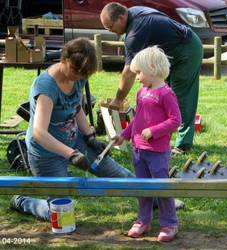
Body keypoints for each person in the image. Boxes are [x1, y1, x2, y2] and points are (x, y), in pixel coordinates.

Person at [10, 37, 134, 221]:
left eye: (83, 75)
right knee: (62, 216)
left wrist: (90, 135)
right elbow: (39, 132)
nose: (79, 78)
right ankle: (22, 201)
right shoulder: (46, 87)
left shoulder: (79, 77)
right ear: (64, 59)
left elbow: (76, 108)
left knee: (118, 173)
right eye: (76, 72)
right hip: (45, 153)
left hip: (75, 140)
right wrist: (71, 154)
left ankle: (156, 199)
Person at [100, 2, 203, 154]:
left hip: (187, 48)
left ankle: (183, 145)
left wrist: (118, 100)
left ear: (121, 18)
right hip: (170, 52)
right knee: (159, 95)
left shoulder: (135, 32)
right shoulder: (132, 13)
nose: (112, 32)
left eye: (111, 27)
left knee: (181, 98)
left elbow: (129, 72)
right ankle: (161, 136)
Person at [114, 46, 181, 242]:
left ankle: (169, 223)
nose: (137, 77)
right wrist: (124, 135)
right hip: (138, 150)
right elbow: (138, 120)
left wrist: (154, 131)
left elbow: (175, 120)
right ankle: (143, 220)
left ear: (152, 68)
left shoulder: (166, 94)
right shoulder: (141, 92)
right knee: (142, 186)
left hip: (157, 152)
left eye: (139, 72)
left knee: (161, 187)